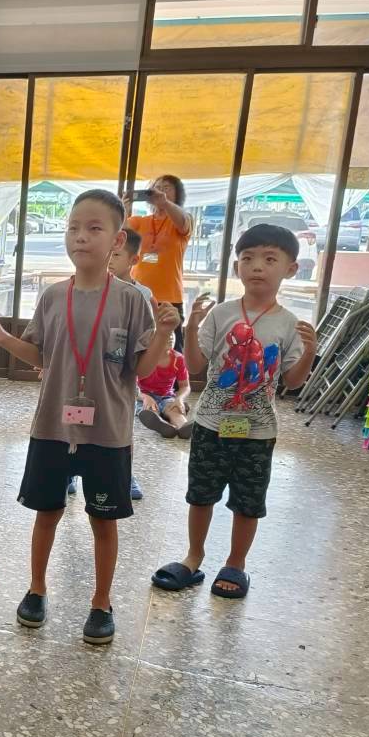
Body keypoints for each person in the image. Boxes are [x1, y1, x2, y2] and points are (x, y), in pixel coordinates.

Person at [0, 190, 178, 645]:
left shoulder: (131, 300)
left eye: (94, 228)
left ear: (117, 241)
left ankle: (101, 602)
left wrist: (163, 335)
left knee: (103, 521)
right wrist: (3, 339)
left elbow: (141, 369)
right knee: (46, 513)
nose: (80, 237)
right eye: (73, 228)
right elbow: (40, 355)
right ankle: (36, 589)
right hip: (52, 426)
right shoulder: (53, 296)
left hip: (108, 432)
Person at [151, 225, 317, 599]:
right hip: (211, 424)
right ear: (236, 266)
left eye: (270, 259)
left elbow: (292, 382)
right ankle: (193, 557)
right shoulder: (222, 313)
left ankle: (235, 563)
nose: (257, 266)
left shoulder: (288, 323)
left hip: (258, 431)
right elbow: (196, 365)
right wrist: (192, 327)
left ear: (291, 269)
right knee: (200, 495)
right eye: (247, 258)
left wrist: (309, 352)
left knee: (248, 501)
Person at [105, 226, 156, 500]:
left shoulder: (143, 295)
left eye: (116, 254)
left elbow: (148, 337)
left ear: (133, 259)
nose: (109, 259)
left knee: (122, 425)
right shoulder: (94, 287)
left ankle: (125, 474)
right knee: (77, 420)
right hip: (92, 369)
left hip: (124, 373)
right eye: (107, 253)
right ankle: (70, 471)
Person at [127, 175, 193, 350]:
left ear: (177, 194)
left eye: (166, 188)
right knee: (137, 346)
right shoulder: (140, 221)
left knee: (171, 349)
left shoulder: (181, 219)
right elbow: (119, 234)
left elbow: (183, 223)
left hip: (169, 297)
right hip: (139, 294)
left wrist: (165, 204)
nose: (160, 191)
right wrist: (122, 210)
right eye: (157, 187)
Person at [137, 332, 193, 438]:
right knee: (150, 411)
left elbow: (185, 386)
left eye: (172, 333)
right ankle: (164, 426)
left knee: (175, 409)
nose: (171, 336)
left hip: (166, 396)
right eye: (167, 333)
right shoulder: (142, 357)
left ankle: (184, 427)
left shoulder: (179, 359)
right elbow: (132, 387)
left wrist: (179, 399)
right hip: (143, 396)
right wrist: (145, 397)